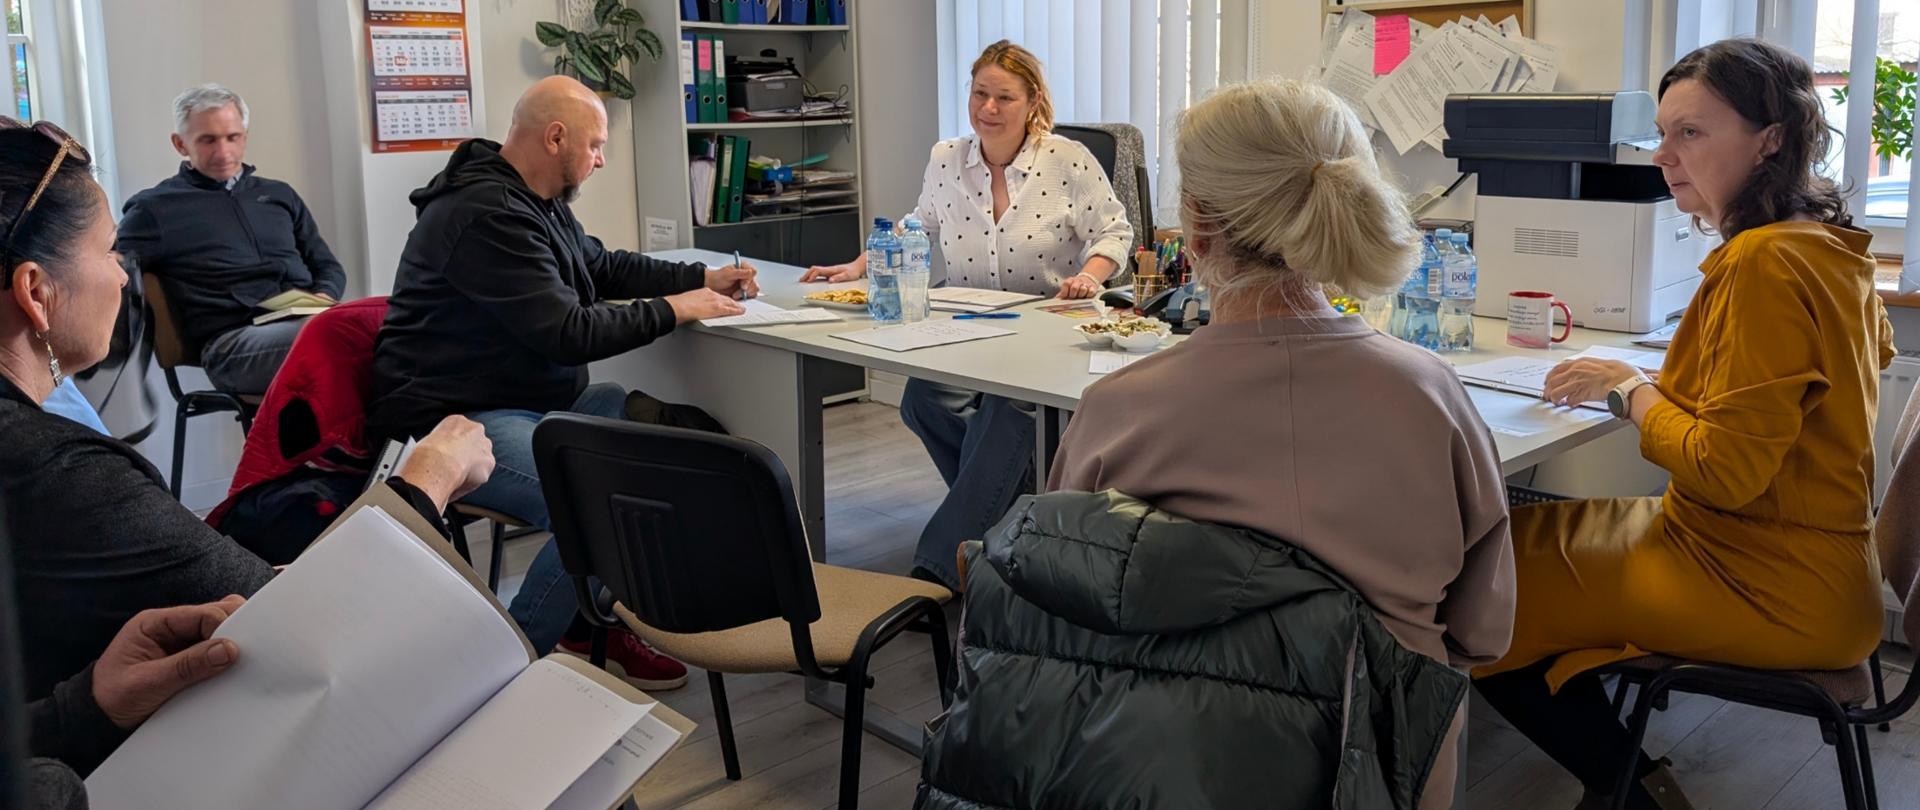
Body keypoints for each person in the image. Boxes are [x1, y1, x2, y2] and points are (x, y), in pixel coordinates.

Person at [920, 79, 1512, 810]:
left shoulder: (1117, 410)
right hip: (1380, 772)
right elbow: (1484, 633)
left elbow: (1058, 614)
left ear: (1194, 229)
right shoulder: (1433, 398)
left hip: (1156, 771)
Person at [1471, 39, 1895, 810]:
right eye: (1663, 134)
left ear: (1770, 137)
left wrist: (1631, 391)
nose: (1664, 155)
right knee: (1510, 542)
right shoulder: (1827, 249)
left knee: (1477, 589)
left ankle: (1632, 792)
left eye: (1690, 133)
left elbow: (1728, 470)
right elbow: (1815, 391)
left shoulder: (1762, 263)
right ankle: (1627, 771)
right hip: (1813, 568)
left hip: (1763, 582)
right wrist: (1669, 381)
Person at [0, 116, 496, 700]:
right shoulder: (62, 472)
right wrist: (426, 482)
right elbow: (303, 628)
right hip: (236, 339)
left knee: (349, 321)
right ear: (36, 292)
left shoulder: (277, 196)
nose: (121, 276)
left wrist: (89, 708)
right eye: (110, 251)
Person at [365, 76, 757, 688]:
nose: (601, 159)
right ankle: (500, 671)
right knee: (605, 506)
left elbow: (600, 268)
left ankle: (580, 614)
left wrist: (700, 275)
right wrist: (677, 309)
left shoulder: (537, 201)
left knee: (664, 442)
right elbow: (568, 332)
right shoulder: (484, 214)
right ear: (555, 138)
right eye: (596, 145)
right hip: (458, 421)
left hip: (531, 402)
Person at [800, 40, 1134, 590]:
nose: (990, 108)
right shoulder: (946, 158)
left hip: (1047, 329)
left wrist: (1091, 276)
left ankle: (937, 569)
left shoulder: (1066, 159)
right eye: (981, 93)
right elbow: (918, 224)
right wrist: (857, 266)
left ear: (1032, 102)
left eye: (1005, 96)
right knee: (922, 400)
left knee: (1011, 409)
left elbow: (1115, 232)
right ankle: (1009, 522)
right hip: (965, 326)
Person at [115, 84, 347, 394]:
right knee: (334, 337)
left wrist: (323, 296)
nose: (224, 153)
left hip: (308, 321)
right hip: (231, 344)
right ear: (180, 144)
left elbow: (327, 266)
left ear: (245, 137)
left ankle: (366, 442)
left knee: (390, 321)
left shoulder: (278, 194)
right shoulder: (154, 209)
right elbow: (109, 270)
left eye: (232, 138)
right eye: (208, 140)